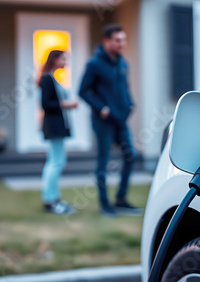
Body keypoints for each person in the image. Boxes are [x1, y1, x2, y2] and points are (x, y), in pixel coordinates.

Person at [79, 24, 141, 216]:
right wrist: (101, 108)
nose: (121, 43)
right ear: (106, 41)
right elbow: (83, 91)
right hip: (103, 121)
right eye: (117, 40)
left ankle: (121, 199)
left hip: (121, 120)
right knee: (103, 161)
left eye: (123, 39)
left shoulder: (123, 63)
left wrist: (130, 103)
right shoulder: (94, 64)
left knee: (130, 156)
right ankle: (105, 205)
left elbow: (125, 87)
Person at [38, 50, 78, 215]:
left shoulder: (52, 78)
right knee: (56, 163)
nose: (66, 62)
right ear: (54, 60)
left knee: (55, 162)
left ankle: (54, 198)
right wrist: (66, 105)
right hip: (54, 126)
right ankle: (50, 201)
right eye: (63, 58)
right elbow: (45, 103)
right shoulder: (47, 78)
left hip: (58, 126)